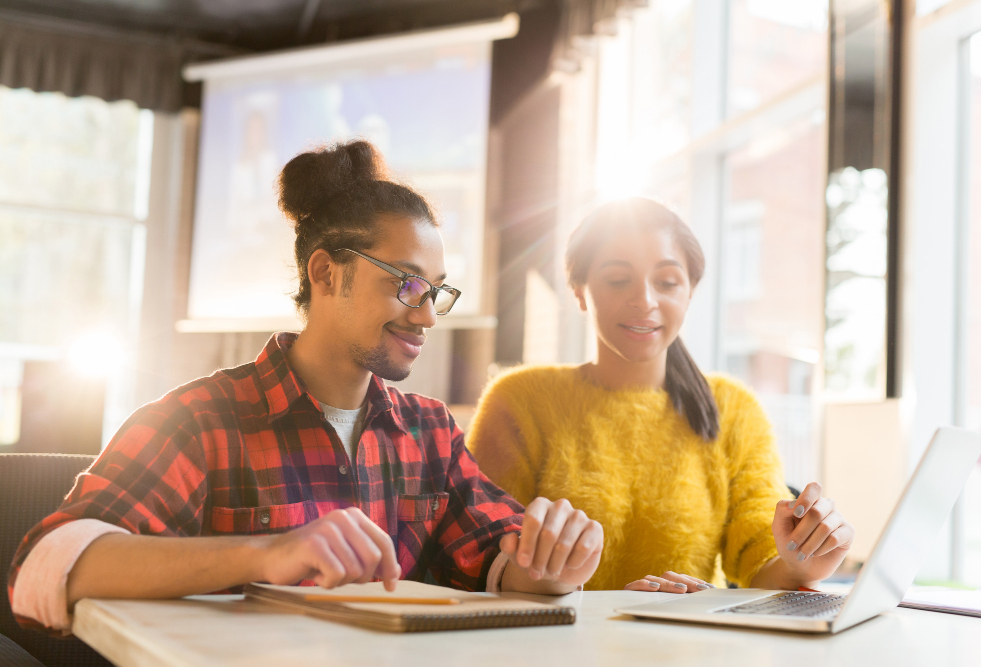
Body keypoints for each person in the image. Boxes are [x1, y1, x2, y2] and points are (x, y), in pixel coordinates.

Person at [8, 140, 603, 632]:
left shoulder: (430, 432)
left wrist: (553, 560)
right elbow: (45, 565)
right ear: (325, 272)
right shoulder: (201, 419)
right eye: (407, 284)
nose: (426, 314)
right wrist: (268, 553)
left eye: (436, 291)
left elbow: (502, 563)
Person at [467, 197, 854, 594]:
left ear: (690, 292)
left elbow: (762, 564)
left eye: (667, 283)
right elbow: (480, 561)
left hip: (689, 635)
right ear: (579, 291)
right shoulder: (519, 401)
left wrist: (802, 562)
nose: (645, 301)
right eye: (618, 280)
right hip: (562, 635)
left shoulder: (734, 409)